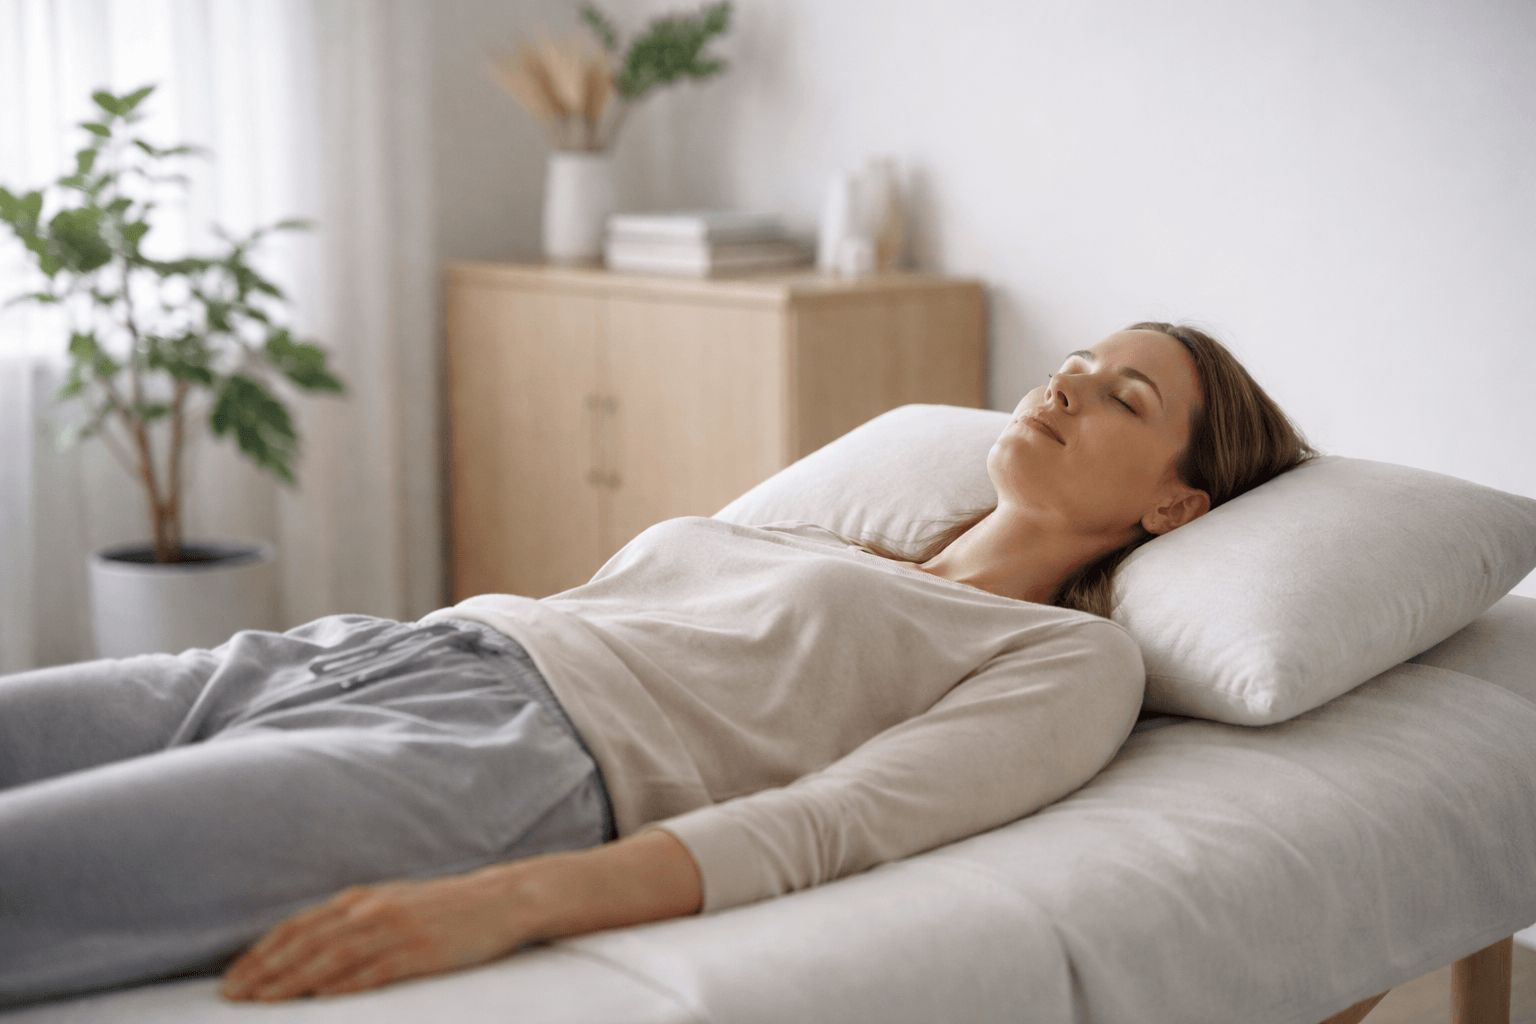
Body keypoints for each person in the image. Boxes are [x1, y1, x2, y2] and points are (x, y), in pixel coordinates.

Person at [0, 322, 1314, 1007]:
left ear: (1176, 508)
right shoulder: (842, 531)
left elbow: (831, 825)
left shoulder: (1067, 657)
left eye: (1125, 400)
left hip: (494, 766)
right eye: (1075, 366)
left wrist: (512, 899)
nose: (1068, 389)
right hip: (371, 650)